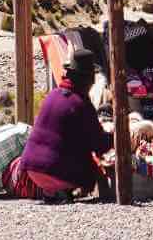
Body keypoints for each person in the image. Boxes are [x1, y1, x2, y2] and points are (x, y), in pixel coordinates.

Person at [18, 48, 114, 201]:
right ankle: (62, 188)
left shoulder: (52, 95)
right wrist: (117, 138)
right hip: (51, 170)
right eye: (91, 79)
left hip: (31, 169)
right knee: (92, 167)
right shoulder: (81, 104)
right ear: (87, 80)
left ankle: (51, 192)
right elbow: (99, 144)